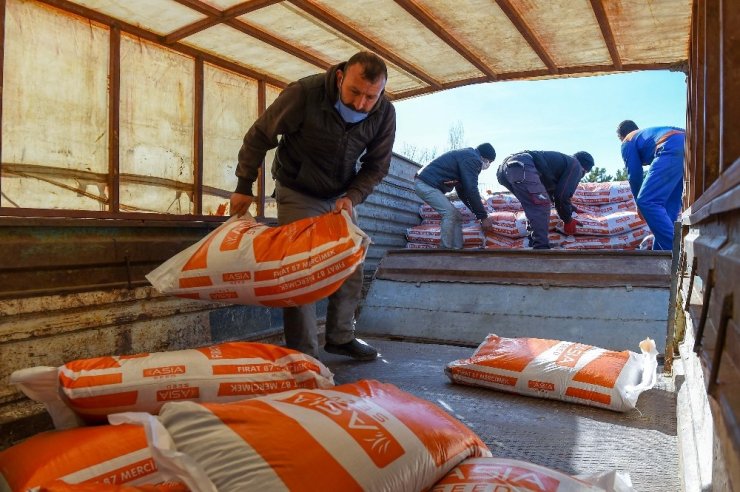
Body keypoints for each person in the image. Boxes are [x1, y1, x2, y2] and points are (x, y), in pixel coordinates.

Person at [229, 51, 396, 361]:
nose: (360, 104)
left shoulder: (385, 113)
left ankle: (341, 336)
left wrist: (353, 197)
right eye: (354, 92)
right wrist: (243, 185)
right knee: (298, 268)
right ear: (340, 77)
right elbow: (259, 135)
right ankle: (303, 353)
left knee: (352, 260)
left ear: (381, 92)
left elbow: (377, 166)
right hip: (298, 189)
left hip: (340, 196)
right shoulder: (304, 94)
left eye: (370, 97)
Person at [496, 150, 594, 249]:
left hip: (506, 169)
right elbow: (562, 196)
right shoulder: (575, 165)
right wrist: (568, 220)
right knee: (541, 205)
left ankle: (534, 242)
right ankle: (541, 248)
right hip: (522, 165)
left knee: (534, 204)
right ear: (585, 169)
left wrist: (571, 208)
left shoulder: (559, 165)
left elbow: (553, 196)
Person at [616, 120, 685, 251]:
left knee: (647, 201)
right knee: (667, 212)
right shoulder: (645, 134)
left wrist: (638, 203)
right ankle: (659, 255)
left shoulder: (628, 140)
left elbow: (634, 175)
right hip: (691, 146)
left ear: (621, 136)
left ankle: (678, 254)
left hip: (671, 145)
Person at [413, 144, 496, 249]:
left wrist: (476, 213)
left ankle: (457, 248)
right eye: (490, 162)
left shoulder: (468, 156)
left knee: (456, 215)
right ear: (485, 158)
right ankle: (445, 249)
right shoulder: (472, 159)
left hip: (427, 183)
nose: (488, 165)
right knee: (450, 213)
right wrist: (483, 217)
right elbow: (471, 189)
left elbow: (462, 191)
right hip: (426, 184)